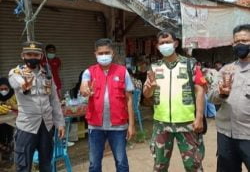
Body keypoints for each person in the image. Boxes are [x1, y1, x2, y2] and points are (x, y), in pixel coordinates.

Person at [143, 29, 206, 172]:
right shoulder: (154, 67)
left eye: (168, 42)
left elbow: (200, 91)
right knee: (159, 166)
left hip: (187, 123)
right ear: (157, 46)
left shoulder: (190, 65)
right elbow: (146, 95)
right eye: (162, 43)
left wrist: (199, 118)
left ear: (176, 43)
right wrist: (150, 88)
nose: (165, 45)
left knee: (193, 165)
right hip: (161, 124)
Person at [8, 41, 65, 172]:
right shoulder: (17, 72)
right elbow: (13, 81)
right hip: (27, 127)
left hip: (47, 126)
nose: (32, 57)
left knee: (46, 164)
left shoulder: (47, 75)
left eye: (36, 54)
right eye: (29, 54)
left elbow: (54, 100)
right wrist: (23, 83)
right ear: (23, 56)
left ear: (41, 57)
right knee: (23, 166)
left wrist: (60, 123)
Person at [80, 38, 135, 172]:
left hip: (118, 126)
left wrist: (132, 125)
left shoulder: (122, 71)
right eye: (101, 53)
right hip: (95, 126)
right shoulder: (89, 72)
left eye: (106, 52)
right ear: (95, 54)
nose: (104, 56)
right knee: (94, 163)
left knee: (121, 162)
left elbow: (129, 99)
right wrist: (85, 90)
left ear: (113, 53)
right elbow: (83, 87)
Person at [208, 24, 250, 172]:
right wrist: (221, 94)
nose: (240, 45)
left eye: (244, 41)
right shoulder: (226, 69)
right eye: (236, 42)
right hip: (226, 135)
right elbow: (211, 97)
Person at [0, 77, 17, 161]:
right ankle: (4, 149)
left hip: (11, 119)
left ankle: (8, 150)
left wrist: (13, 106)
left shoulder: (13, 95)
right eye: (1, 89)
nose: (3, 91)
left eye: (5, 89)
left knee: (10, 130)